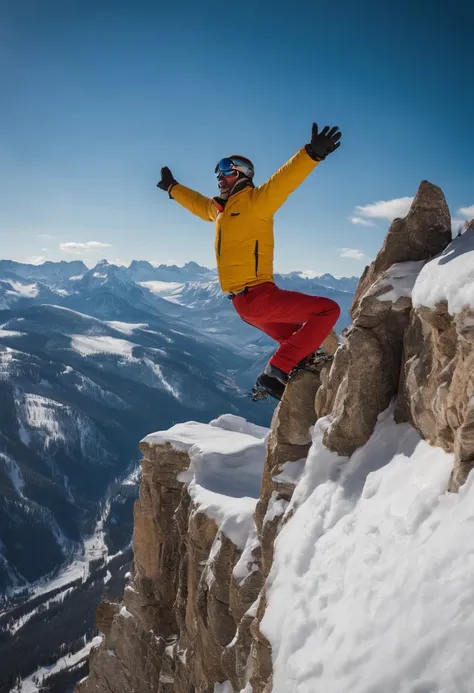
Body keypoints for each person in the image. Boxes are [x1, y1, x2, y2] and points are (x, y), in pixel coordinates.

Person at [157, 123, 342, 400]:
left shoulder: (257, 202)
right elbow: (197, 203)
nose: (220, 177)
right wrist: (173, 188)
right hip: (256, 300)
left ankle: (300, 365)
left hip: (246, 307)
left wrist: (311, 154)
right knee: (328, 310)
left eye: (227, 170)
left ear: (244, 174)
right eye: (218, 172)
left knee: (296, 337)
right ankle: (276, 371)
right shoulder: (219, 211)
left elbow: (285, 180)